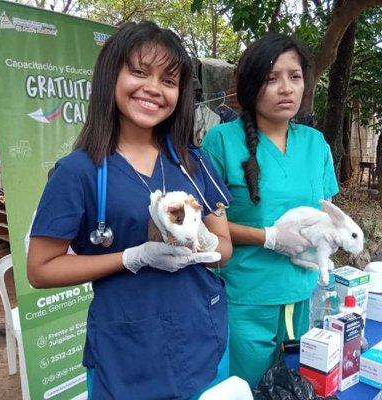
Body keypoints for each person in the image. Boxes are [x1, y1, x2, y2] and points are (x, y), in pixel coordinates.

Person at [27, 21, 233, 399]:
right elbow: (40, 269)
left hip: (204, 337)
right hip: (128, 354)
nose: (153, 88)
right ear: (111, 76)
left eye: (168, 81)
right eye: (139, 72)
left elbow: (226, 245)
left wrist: (204, 244)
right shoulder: (78, 172)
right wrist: (135, 257)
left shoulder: (194, 161)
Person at [201, 33, 339, 387]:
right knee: (246, 387)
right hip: (245, 297)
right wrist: (270, 238)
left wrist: (333, 236)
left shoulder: (315, 143)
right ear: (251, 85)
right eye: (271, 78)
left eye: (294, 76)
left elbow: (328, 211)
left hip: (301, 294)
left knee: (292, 388)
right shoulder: (221, 142)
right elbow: (203, 231)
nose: (286, 88)